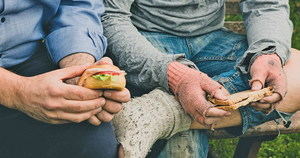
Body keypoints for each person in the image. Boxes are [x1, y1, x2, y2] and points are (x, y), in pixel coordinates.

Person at [102, 0, 300, 157]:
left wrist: (268, 54)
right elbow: (111, 16)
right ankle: (175, 112)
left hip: (213, 40)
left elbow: (266, 4)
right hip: (146, 39)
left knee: (295, 72)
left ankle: (158, 113)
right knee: (183, 145)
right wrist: (175, 77)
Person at [0, 1, 130, 158]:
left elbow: (78, 5)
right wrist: (16, 91)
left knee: (95, 146)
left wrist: (79, 73)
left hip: (28, 57)